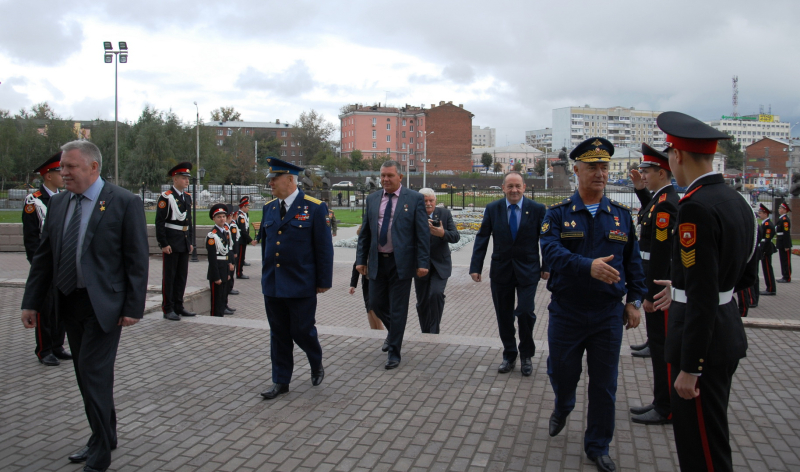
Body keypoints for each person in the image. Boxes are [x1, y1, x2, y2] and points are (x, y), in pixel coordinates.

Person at [20, 140, 149, 472]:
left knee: (93, 374)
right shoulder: (59, 203)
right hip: (68, 302)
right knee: (86, 374)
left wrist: (133, 307)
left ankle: (100, 451)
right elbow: (44, 258)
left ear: (93, 167)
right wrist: (31, 302)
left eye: (70, 167)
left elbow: (137, 259)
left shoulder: (123, 202)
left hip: (104, 305)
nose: (63, 173)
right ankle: (105, 434)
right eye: (62, 167)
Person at [652, 111, 758, 472]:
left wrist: (690, 367)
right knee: (711, 433)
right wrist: (683, 285)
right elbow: (744, 275)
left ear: (677, 155)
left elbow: (702, 294)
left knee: (700, 447)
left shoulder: (696, 206)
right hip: (725, 329)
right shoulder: (737, 201)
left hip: (701, 345)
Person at [540, 137, 645, 472]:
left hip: (607, 314)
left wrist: (635, 301)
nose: (600, 173)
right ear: (576, 170)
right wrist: (588, 266)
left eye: (604, 167)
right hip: (567, 311)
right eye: (592, 167)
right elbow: (551, 253)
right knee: (562, 371)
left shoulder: (621, 217)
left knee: (604, 385)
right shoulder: (557, 215)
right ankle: (564, 403)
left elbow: (633, 265)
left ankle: (598, 446)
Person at [258, 158, 333, 400]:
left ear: (290, 179)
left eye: (275, 178)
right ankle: (281, 381)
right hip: (274, 284)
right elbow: (266, 247)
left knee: (302, 330)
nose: (270, 183)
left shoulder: (314, 207)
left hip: (301, 283)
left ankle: (315, 360)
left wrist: (323, 281)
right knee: (278, 334)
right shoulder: (269, 208)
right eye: (270, 179)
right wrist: (265, 277)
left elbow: (324, 249)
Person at [469, 172, 548, 375]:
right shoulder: (493, 208)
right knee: (504, 315)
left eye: (518, 186)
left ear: (524, 187)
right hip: (501, 270)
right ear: (503, 187)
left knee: (525, 312)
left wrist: (547, 266)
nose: (514, 190)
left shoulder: (537, 209)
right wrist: (476, 267)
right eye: (510, 186)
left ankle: (526, 355)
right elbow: (482, 237)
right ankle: (509, 355)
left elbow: (546, 239)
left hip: (528, 271)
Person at [356, 160, 430, 370]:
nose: (385, 179)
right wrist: (361, 260)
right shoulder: (372, 199)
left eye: (389, 175)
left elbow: (422, 234)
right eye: (383, 176)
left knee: (398, 309)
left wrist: (422, 262)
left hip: (401, 263)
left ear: (400, 177)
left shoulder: (414, 199)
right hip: (377, 262)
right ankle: (394, 332)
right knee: (376, 303)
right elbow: (365, 233)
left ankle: (394, 352)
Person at [627, 144, 679, 426]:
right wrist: (639, 190)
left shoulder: (667, 203)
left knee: (662, 348)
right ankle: (661, 401)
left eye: (646, 172)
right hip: (654, 281)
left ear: (661, 172)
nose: (643, 175)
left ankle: (666, 406)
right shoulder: (661, 199)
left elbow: (660, 253)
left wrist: (649, 294)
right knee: (658, 345)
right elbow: (650, 214)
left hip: (658, 286)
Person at [22, 152, 71, 366]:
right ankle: (44, 349)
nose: (63, 175)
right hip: (46, 263)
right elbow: (31, 238)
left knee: (61, 307)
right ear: (48, 175)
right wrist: (39, 266)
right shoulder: (34, 201)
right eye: (59, 172)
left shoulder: (64, 198)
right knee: (45, 307)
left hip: (63, 262)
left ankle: (58, 345)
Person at [415, 188, 460, 334]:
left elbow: (455, 236)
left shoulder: (444, 214)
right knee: (422, 302)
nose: (428, 203)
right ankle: (425, 332)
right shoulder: (414, 215)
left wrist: (442, 233)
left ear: (435, 201)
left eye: (431, 200)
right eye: (425, 201)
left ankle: (434, 332)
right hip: (420, 265)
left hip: (440, 265)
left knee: (436, 294)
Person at [155, 162, 195, 321]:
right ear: (175, 179)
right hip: (171, 242)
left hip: (183, 241)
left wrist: (190, 241)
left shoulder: (187, 197)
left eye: (187, 178)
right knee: (169, 277)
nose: (187, 181)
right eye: (183, 178)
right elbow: (160, 222)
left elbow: (189, 221)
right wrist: (163, 243)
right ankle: (168, 308)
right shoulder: (166, 197)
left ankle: (179, 305)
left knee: (181, 276)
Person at [350, 225, 384, 330]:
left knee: (373, 307)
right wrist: (353, 284)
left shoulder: (378, 246)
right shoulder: (362, 247)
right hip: (366, 281)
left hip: (376, 280)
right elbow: (356, 264)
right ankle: (373, 332)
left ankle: (381, 331)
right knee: (368, 308)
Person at [206, 204, 232, 317]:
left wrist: (228, 272)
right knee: (216, 300)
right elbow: (212, 258)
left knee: (222, 298)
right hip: (216, 271)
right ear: (214, 219)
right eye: (219, 217)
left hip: (224, 269)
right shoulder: (212, 236)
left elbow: (227, 253)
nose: (222, 219)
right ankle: (215, 319)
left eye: (223, 216)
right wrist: (216, 276)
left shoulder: (224, 232)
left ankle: (220, 318)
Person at [758, 203, 777, 296]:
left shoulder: (768, 224)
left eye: (760, 213)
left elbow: (767, 239)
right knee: (766, 269)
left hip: (766, 249)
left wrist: (764, 250)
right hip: (764, 248)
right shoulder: (765, 223)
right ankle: (769, 287)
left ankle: (771, 289)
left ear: (765, 214)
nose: (759, 215)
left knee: (768, 269)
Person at [223, 204, 239, 314]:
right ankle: (222, 306)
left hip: (230, 254)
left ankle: (225, 304)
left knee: (227, 281)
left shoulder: (227, 228)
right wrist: (230, 261)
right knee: (224, 284)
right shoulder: (224, 229)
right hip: (226, 257)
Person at [235, 196, 253, 279]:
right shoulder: (241, 216)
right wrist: (250, 240)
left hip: (242, 239)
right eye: (247, 207)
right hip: (241, 239)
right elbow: (243, 230)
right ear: (243, 207)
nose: (248, 209)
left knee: (241, 257)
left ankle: (240, 272)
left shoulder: (243, 215)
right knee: (240, 258)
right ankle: (239, 273)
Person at [776, 202, 792, 282]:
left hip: (784, 243)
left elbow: (786, 233)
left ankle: (787, 277)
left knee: (786, 260)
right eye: (779, 208)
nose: (779, 210)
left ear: (785, 210)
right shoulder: (781, 219)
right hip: (781, 242)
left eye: (781, 208)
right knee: (782, 260)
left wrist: (786, 245)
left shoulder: (785, 220)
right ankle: (784, 275)